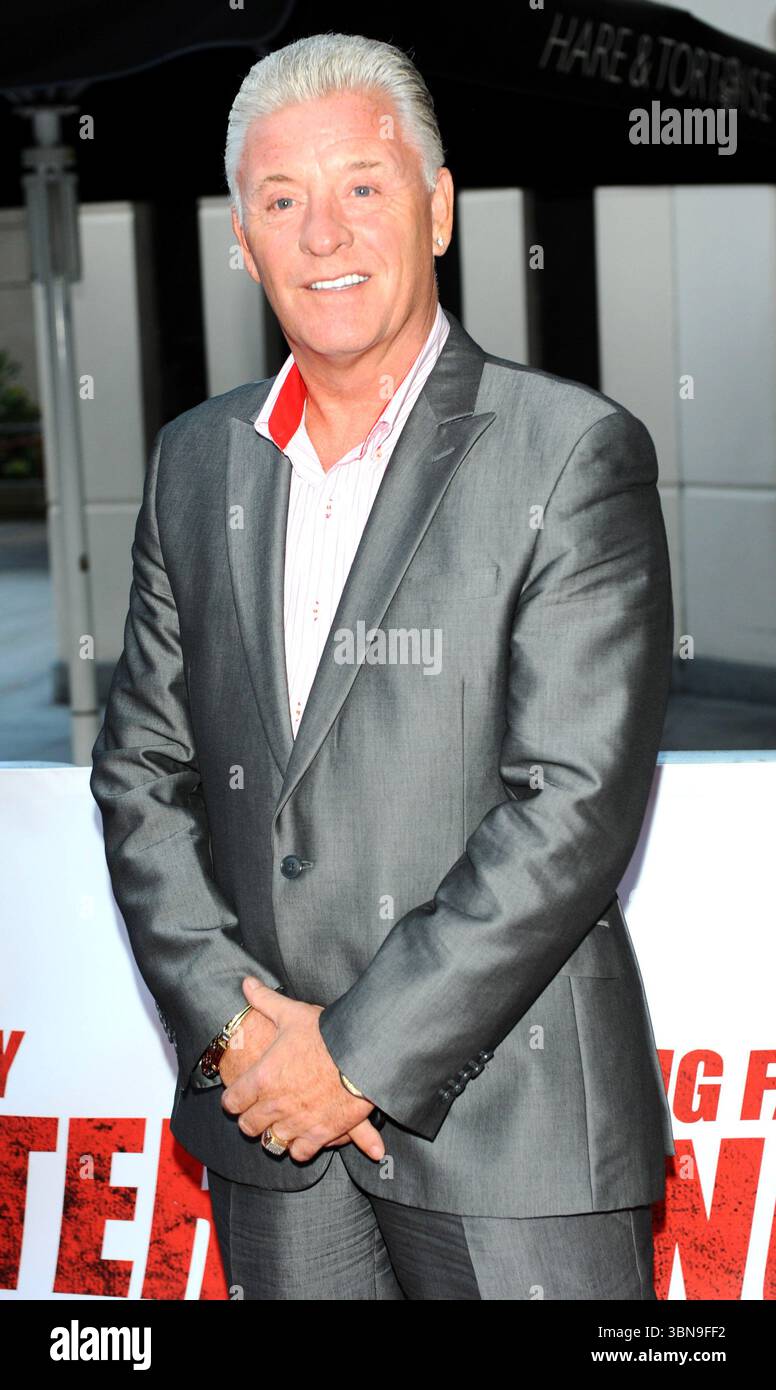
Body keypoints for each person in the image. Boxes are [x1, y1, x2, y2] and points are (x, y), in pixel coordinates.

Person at [90, 32, 675, 1301]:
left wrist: (346, 1058)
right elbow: (140, 771)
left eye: (362, 185)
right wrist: (243, 1034)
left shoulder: (570, 453)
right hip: (272, 1147)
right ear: (240, 240)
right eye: (281, 200)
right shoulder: (195, 464)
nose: (323, 234)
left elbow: (570, 806)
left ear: (438, 206)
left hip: (517, 1143)